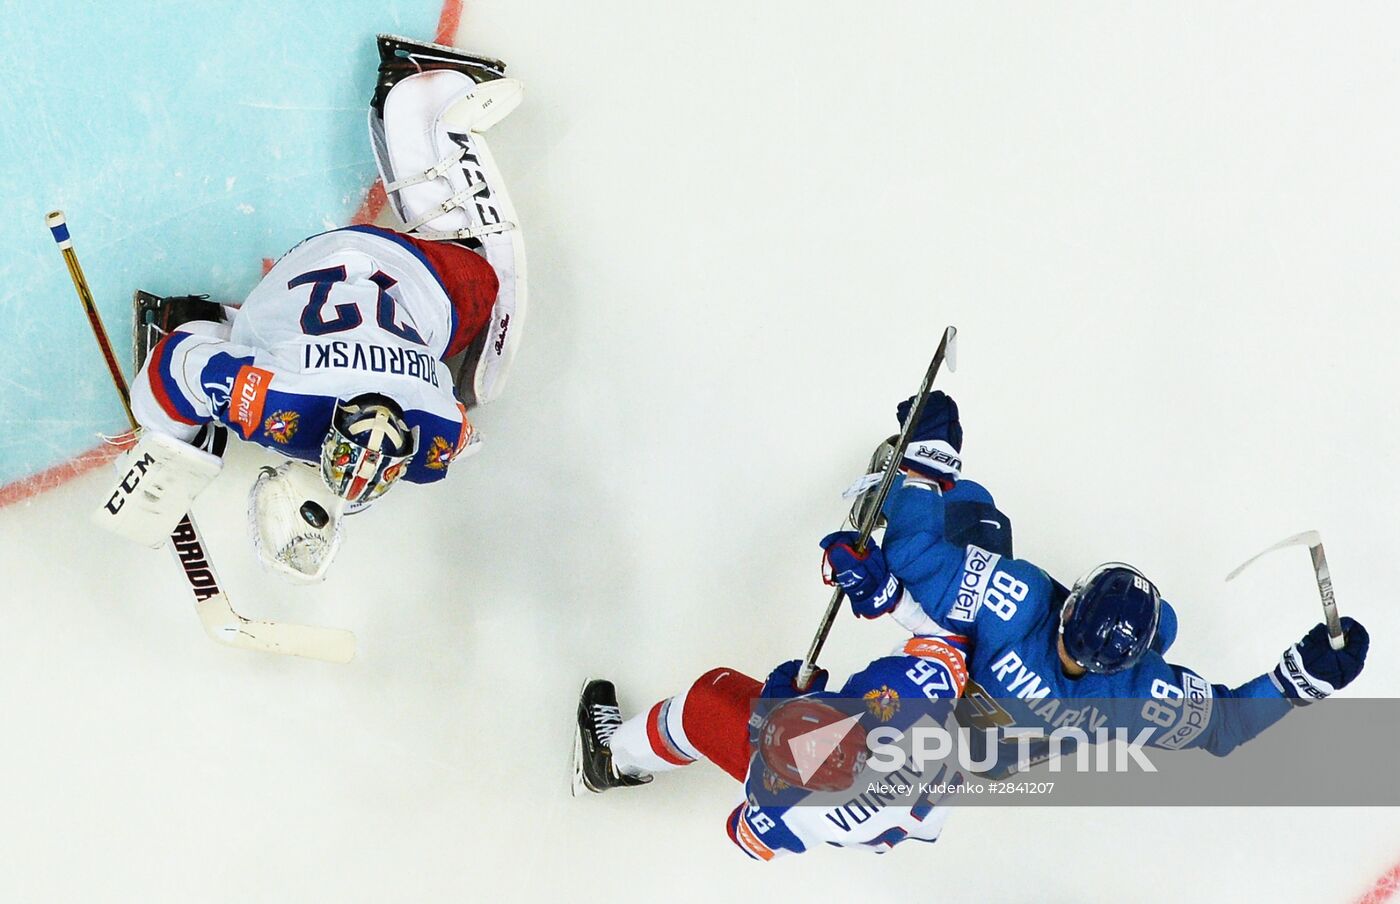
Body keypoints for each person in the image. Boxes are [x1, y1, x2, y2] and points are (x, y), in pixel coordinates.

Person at [95, 35, 527, 582]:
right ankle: (203, 319)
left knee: (483, 282)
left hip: (389, 277)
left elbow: (462, 431)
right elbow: (177, 362)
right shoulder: (278, 404)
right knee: (211, 367)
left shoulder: (437, 441)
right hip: (309, 274)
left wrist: (170, 441)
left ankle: (431, 136)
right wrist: (163, 441)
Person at [820, 392, 1370, 775]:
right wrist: (1301, 679)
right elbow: (1226, 727)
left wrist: (924, 468)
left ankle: (892, 495)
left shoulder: (1022, 598)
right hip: (998, 754)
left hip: (954, 695)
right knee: (1166, 622)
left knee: (977, 514)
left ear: (1072, 604)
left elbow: (913, 556)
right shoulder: (1135, 692)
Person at [573, 634, 972, 860]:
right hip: (911, 815)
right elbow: (952, 644)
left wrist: (772, 713)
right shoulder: (911, 696)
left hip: (888, 805)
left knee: (706, 704)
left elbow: (742, 832)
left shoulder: (785, 804)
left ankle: (609, 760)